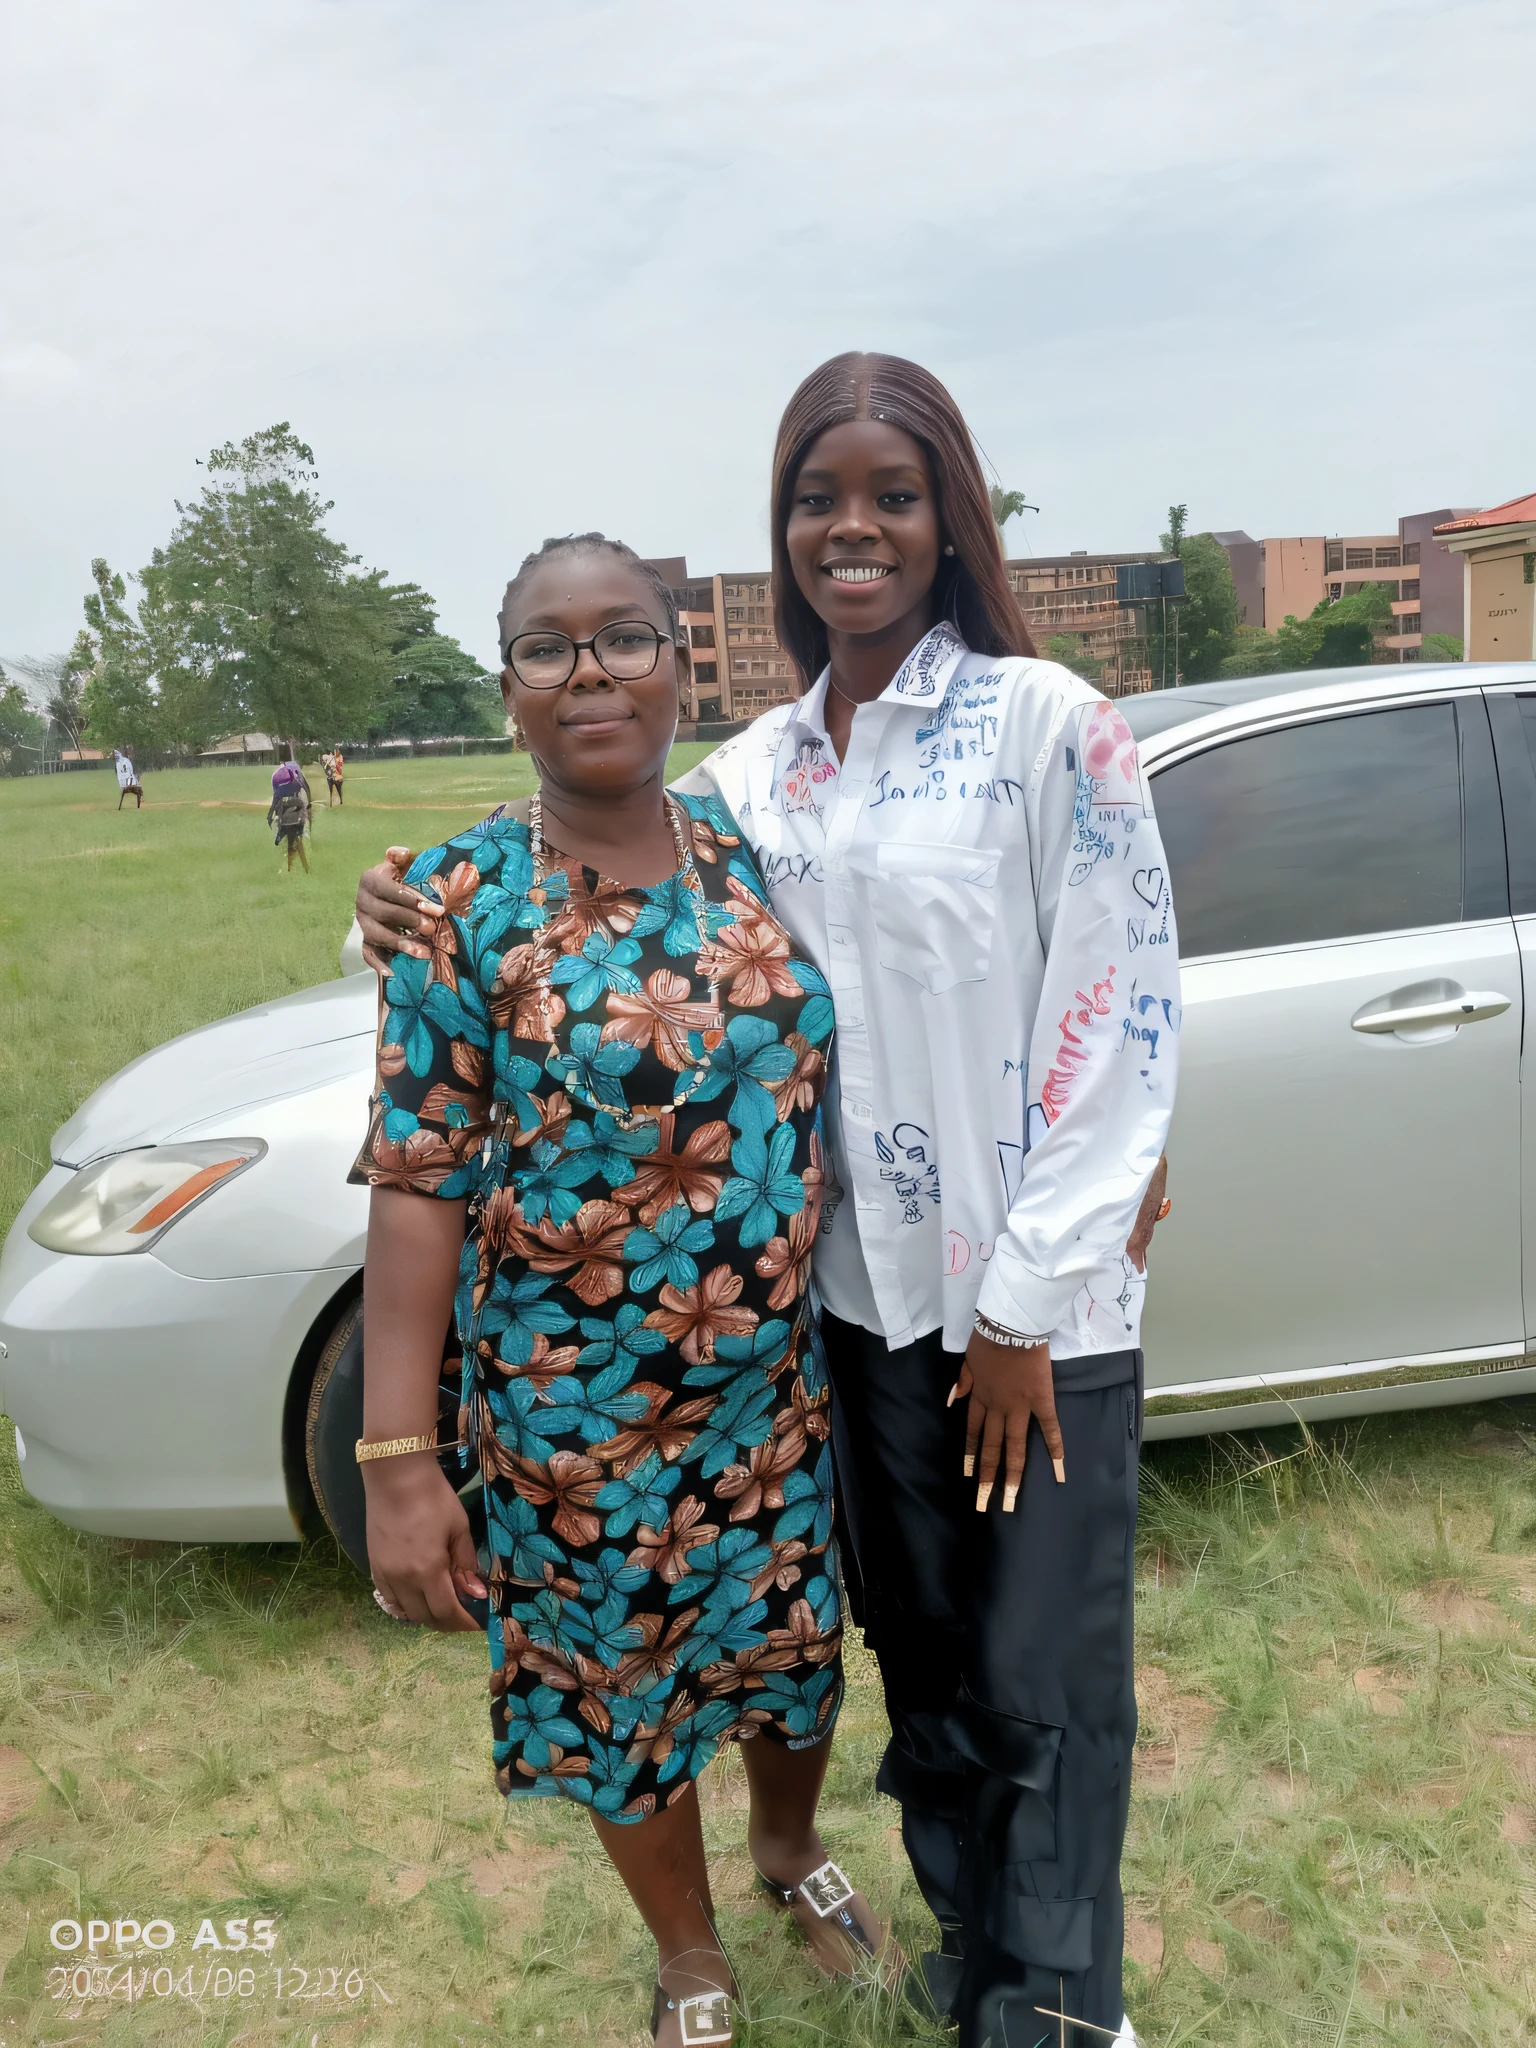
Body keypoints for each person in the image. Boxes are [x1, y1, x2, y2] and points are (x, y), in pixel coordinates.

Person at [354, 358, 1177, 2048]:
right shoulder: (765, 778)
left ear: (952, 512)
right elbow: (535, 929)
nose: (853, 529)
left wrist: (1038, 1285)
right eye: (818, 498)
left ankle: (1060, 2009)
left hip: (998, 1331)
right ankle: (967, 1959)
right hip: (825, 1336)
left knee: (1042, 1681)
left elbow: (1119, 1014)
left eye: (891, 492)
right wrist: (387, 909)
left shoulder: (1048, 724)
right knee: (928, 1668)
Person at [351, 533, 894, 2048]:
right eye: (548, 647)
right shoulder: (456, 897)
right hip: (574, 1419)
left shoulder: (748, 841)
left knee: (790, 1658)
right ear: (510, 686)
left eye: (625, 639)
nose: (589, 672)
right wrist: (400, 1458)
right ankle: (689, 1954)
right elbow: (417, 1177)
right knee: (623, 1701)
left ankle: (788, 1854)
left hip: (769, 1392)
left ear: (679, 659)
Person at [268, 748, 311, 872]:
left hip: (287, 813)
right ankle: (305, 868)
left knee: (288, 839)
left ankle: (280, 835)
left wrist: (272, 814)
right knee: (298, 840)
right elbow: (305, 790)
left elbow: (276, 798)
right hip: (297, 812)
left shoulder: (278, 773)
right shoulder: (296, 772)